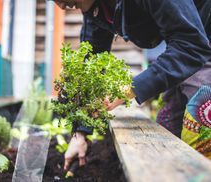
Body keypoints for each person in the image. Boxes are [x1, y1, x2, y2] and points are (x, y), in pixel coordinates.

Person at [52, 0, 211, 170]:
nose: (60, 6)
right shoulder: (95, 7)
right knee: (168, 132)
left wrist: (127, 90)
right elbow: (92, 58)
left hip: (200, 41)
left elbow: (191, 46)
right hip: (192, 44)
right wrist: (80, 133)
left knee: (201, 123)